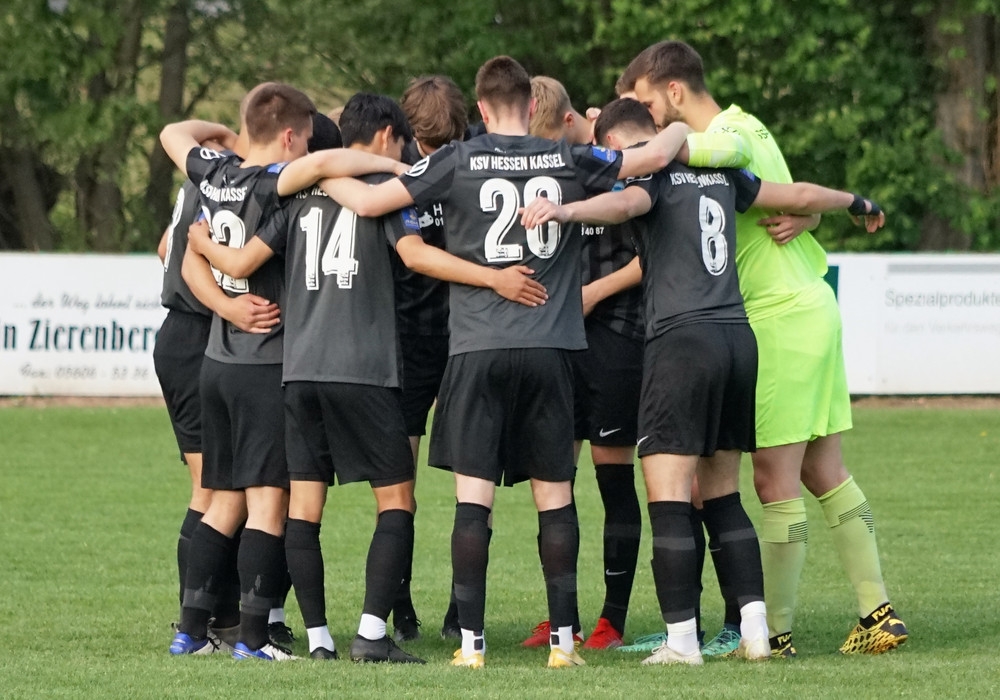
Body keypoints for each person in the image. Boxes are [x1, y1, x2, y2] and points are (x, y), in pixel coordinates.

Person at [318, 55, 702, 669]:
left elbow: (367, 204)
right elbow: (650, 161)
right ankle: (564, 644)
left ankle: (470, 645)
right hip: (554, 346)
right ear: (530, 105)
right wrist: (683, 125)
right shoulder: (566, 158)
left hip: (478, 347)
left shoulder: (457, 158)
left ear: (480, 107)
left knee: (474, 499)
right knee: (555, 497)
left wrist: (312, 173)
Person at [521, 96, 885, 665]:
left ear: (619, 144)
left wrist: (564, 211)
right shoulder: (724, 170)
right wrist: (856, 202)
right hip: (737, 339)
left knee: (667, 493)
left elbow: (623, 205)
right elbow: (798, 197)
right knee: (723, 494)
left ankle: (682, 641)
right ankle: (756, 633)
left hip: (681, 343)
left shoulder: (651, 173)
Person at [187, 91, 547, 663]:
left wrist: (201, 244)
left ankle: (317, 639)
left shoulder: (297, 195)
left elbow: (239, 261)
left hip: (298, 370)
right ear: (385, 136)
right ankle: (374, 633)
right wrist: (493, 277)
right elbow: (415, 256)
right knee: (397, 499)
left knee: (304, 508)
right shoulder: (384, 192)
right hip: (364, 369)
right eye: (400, 143)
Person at [623, 40, 908, 657]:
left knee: (773, 480)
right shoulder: (753, 123)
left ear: (674, 91)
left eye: (646, 102)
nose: (647, 116)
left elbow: (678, 157)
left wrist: (630, 152)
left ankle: (771, 633)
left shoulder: (723, 137)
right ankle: (877, 611)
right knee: (824, 470)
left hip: (775, 317)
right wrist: (843, 207)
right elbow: (793, 197)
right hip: (812, 303)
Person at [161, 82, 405, 661]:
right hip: (264, 360)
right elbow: (319, 167)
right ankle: (252, 639)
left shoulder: (213, 174)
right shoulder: (274, 185)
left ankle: (189, 633)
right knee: (268, 505)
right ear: (291, 137)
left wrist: (225, 307)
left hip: (217, 359)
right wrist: (395, 167)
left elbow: (173, 140)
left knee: (221, 502)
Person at [522, 75, 645, 651]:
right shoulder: (539, 168)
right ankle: (562, 617)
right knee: (554, 480)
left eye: (549, 141)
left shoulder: (620, 162)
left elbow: (651, 254)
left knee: (613, 476)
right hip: (559, 342)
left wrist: (593, 293)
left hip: (618, 338)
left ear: (571, 122)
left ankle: (611, 621)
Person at [392, 75, 469, 643]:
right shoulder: (477, 163)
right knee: (472, 483)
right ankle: (458, 610)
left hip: (410, 341)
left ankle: (401, 608)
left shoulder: (395, 176)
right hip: (466, 336)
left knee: (402, 486)